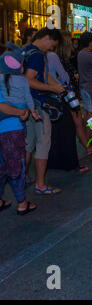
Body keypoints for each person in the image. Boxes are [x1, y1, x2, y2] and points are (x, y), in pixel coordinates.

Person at [24, 28, 64, 195]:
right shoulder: (38, 55)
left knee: (28, 143)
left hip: (27, 104)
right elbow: (29, 79)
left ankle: (24, 177)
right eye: (52, 45)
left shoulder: (26, 50)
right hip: (39, 104)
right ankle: (40, 185)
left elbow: (41, 75)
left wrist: (55, 85)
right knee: (42, 143)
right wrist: (51, 88)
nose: (51, 49)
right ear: (47, 38)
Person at [0, 46, 37, 215]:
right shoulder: (17, 80)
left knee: (2, 166)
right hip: (11, 129)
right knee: (16, 166)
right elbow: (3, 106)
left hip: (8, 128)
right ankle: (22, 202)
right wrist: (23, 111)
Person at [47, 31, 89, 173]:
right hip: (62, 95)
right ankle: (71, 162)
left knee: (57, 131)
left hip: (53, 97)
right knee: (69, 129)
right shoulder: (55, 57)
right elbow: (64, 77)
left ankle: (60, 161)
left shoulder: (49, 56)